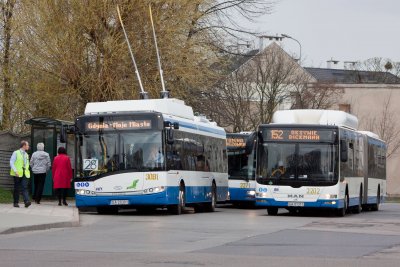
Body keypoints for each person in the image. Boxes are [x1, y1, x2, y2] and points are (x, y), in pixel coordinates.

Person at [10, 140, 31, 208]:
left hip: (25, 173)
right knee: (17, 188)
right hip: (17, 173)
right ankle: (16, 202)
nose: (28, 146)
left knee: (24, 187)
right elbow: (11, 162)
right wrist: (15, 171)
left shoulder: (26, 154)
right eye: (27, 145)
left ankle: (26, 201)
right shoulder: (16, 153)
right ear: (24, 146)